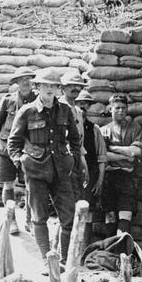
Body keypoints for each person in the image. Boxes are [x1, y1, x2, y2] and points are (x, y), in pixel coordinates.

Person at [8, 68, 81, 268]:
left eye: (54, 86)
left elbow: (75, 139)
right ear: (37, 87)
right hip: (36, 171)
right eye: (46, 86)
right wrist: (20, 161)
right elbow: (13, 142)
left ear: (59, 89)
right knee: (39, 217)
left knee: (68, 217)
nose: (50, 90)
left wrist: (73, 159)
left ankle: (64, 260)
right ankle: (46, 260)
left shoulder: (65, 110)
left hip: (60, 170)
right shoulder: (27, 111)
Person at [0, 67, 36, 235]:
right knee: (8, 184)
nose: (25, 81)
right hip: (6, 147)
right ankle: (12, 219)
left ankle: (30, 220)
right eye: (22, 79)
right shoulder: (8, 100)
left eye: (28, 78)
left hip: (28, 148)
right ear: (16, 83)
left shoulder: (37, 100)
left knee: (31, 184)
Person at [99, 93, 142, 238]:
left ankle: (121, 250)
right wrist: (126, 155)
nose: (121, 111)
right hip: (109, 176)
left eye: (124, 108)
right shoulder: (104, 130)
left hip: (127, 176)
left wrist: (112, 149)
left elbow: (136, 151)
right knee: (110, 214)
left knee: (126, 213)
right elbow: (103, 156)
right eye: (117, 108)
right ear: (110, 109)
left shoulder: (134, 128)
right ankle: (110, 249)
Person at [74, 89, 107, 248]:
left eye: (86, 104)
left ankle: (84, 248)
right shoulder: (68, 126)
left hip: (90, 174)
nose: (83, 106)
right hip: (72, 173)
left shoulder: (94, 130)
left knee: (88, 212)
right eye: (80, 103)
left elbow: (101, 157)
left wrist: (99, 179)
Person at [59, 71, 89, 201]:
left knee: (77, 196)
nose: (76, 88)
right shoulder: (57, 107)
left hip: (75, 159)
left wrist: (84, 164)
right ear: (63, 88)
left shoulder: (78, 112)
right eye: (71, 85)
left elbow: (79, 142)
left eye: (79, 86)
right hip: (61, 159)